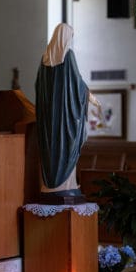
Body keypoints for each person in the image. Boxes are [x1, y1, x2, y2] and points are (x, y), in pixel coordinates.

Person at [35, 23, 100, 203]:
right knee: (67, 144)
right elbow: (76, 84)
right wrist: (90, 97)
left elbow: (39, 88)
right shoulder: (68, 56)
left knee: (51, 149)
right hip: (65, 118)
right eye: (70, 36)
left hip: (49, 119)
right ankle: (65, 186)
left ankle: (50, 185)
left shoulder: (44, 59)